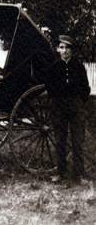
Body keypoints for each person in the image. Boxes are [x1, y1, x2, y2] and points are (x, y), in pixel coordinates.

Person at [45, 35, 90, 184]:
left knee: (77, 141)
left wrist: (78, 102)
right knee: (60, 141)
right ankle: (61, 173)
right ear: (58, 49)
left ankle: (79, 175)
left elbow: (86, 88)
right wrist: (59, 99)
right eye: (62, 47)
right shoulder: (53, 68)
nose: (64, 51)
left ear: (71, 50)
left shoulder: (78, 66)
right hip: (59, 108)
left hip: (76, 108)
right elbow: (49, 89)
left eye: (67, 48)